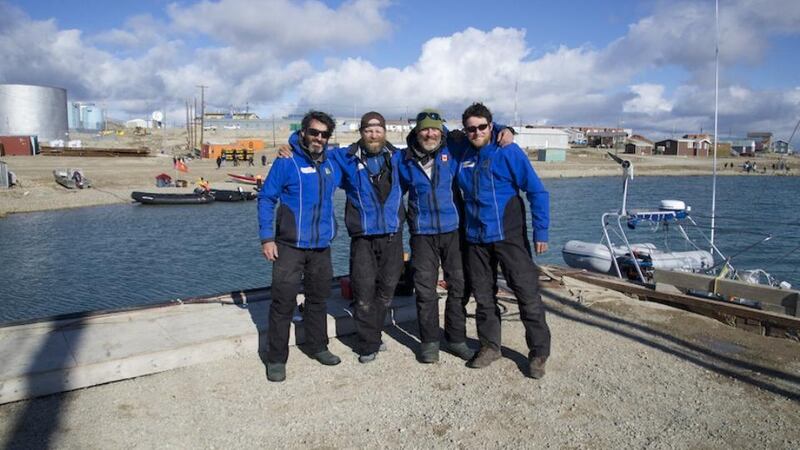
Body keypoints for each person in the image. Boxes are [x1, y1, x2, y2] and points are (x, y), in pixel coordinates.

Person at [455, 102, 551, 379]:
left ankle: (539, 352)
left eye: (482, 127)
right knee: (484, 297)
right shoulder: (461, 150)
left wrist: (541, 232)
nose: (476, 132)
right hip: (475, 237)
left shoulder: (507, 150)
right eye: (471, 129)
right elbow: (442, 134)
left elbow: (537, 192)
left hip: (509, 235)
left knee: (527, 294)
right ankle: (490, 346)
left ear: (490, 125)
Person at [257, 111, 343, 382]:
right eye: (314, 132)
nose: (319, 138)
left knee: (318, 300)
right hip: (289, 246)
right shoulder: (287, 160)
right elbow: (266, 198)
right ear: (303, 132)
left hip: (321, 246)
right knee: (283, 302)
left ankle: (318, 346)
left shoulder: (332, 162)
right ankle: (276, 359)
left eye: (324, 134)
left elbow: (363, 151)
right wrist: (266, 238)